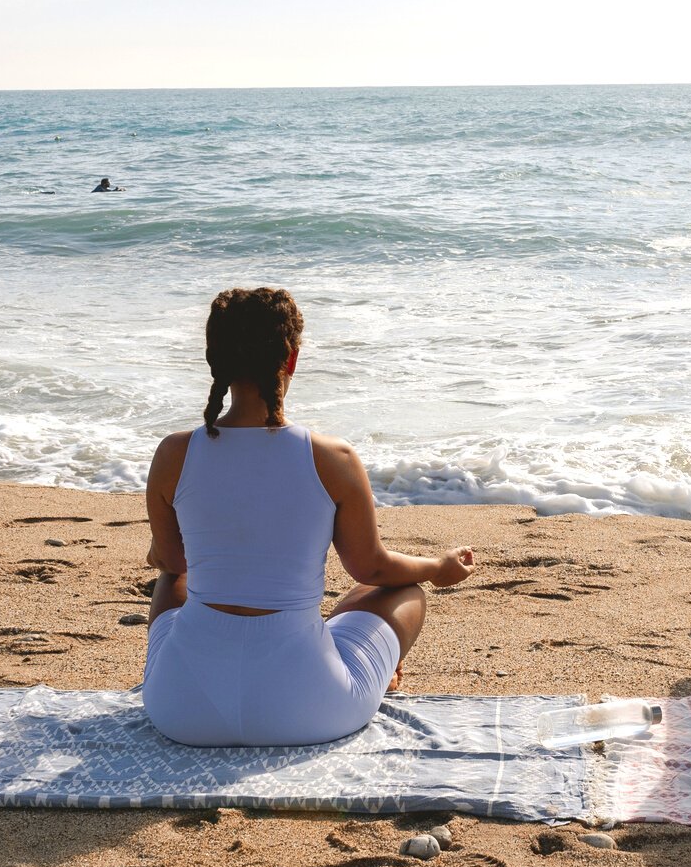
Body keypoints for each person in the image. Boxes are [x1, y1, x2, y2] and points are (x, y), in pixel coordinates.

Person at [141, 287, 475, 745]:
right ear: (291, 360)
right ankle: (370, 673)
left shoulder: (174, 454)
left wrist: (163, 551)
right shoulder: (331, 457)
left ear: (213, 359)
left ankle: (326, 650)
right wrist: (437, 568)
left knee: (173, 578)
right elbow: (370, 567)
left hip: (181, 710)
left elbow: (172, 562)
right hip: (308, 711)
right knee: (403, 591)